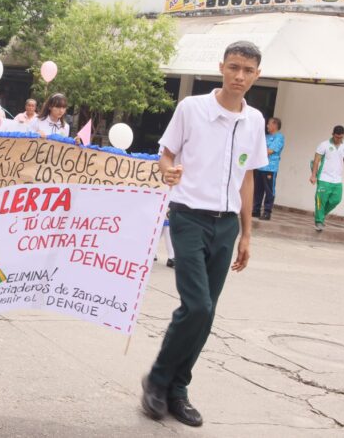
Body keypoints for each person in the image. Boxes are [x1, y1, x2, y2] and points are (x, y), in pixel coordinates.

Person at [141, 41, 268, 427]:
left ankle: (177, 390)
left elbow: (248, 179)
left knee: (206, 314)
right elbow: (166, 153)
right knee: (196, 306)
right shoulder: (191, 108)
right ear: (221, 67)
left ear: (257, 75)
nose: (239, 76)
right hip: (189, 217)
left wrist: (247, 234)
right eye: (233, 67)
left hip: (227, 223)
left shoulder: (256, 120)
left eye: (247, 70)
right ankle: (158, 379)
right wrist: (168, 170)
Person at [310, 125, 344, 231]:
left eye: (341, 137)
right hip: (324, 178)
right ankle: (319, 221)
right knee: (320, 200)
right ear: (332, 134)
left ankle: (319, 214)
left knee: (336, 200)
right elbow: (316, 160)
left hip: (337, 180)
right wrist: (313, 175)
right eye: (336, 137)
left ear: (343, 136)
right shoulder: (324, 145)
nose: (338, 139)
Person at [252, 117, 284, 220]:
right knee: (258, 190)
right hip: (260, 167)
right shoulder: (265, 137)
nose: (267, 126)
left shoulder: (279, 137)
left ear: (275, 125)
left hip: (270, 168)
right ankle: (256, 210)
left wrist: (260, 150)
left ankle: (267, 211)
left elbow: (270, 151)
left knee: (269, 190)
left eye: (269, 124)